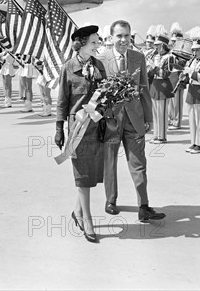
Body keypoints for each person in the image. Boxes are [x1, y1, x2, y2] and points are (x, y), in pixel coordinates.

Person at [99, 20, 166, 222]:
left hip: (134, 119)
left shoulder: (138, 57)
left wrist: (148, 118)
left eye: (127, 36)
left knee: (139, 164)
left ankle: (144, 206)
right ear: (111, 38)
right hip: (111, 119)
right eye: (119, 36)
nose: (123, 40)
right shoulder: (101, 58)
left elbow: (144, 87)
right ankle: (111, 200)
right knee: (109, 162)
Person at [55, 25, 106, 243]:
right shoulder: (68, 67)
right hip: (77, 128)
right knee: (82, 174)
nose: (98, 45)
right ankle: (87, 220)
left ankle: (77, 212)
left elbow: (106, 94)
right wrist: (58, 128)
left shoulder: (99, 66)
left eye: (98, 41)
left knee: (90, 172)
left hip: (96, 126)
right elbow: (62, 101)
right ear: (82, 43)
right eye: (94, 42)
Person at [148, 27, 175, 144]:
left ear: (164, 45)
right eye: (156, 45)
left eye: (159, 45)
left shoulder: (170, 57)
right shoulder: (156, 56)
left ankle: (162, 136)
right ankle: (156, 134)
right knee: (155, 112)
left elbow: (165, 73)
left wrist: (154, 67)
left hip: (163, 85)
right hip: (155, 85)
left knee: (162, 113)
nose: (156, 47)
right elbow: (150, 72)